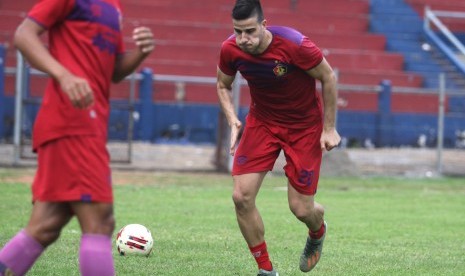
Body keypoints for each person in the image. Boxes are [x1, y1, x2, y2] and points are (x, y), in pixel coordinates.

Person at [0, 0, 154, 275]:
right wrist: (64, 75)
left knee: (44, 227)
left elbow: (114, 71)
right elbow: (23, 34)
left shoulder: (114, 6)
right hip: (72, 121)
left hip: (87, 125)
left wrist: (140, 53)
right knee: (100, 221)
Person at [216, 0, 341, 275]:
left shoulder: (295, 44)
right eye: (238, 31)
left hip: (303, 127)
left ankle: (317, 231)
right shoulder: (230, 49)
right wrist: (232, 119)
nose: (243, 39)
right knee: (241, 197)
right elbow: (223, 85)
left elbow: (328, 77)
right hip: (262, 123)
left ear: (263, 24)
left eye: (249, 31)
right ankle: (266, 270)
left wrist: (328, 128)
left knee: (300, 208)